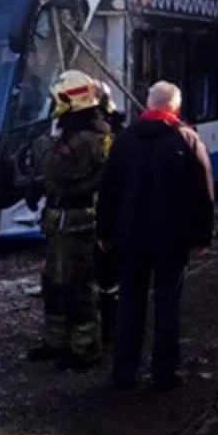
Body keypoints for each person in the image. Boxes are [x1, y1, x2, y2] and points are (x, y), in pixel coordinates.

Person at [97, 81, 214, 392]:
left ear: (148, 106)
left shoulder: (124, 141)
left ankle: (124, 372)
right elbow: (203, 193)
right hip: (171, 240)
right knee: (167, 304)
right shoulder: (187, 139)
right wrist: (202, 236)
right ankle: (164, 373)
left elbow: (108, 190)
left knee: (130, 303)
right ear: (175, 107)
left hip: (130, 238)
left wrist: (105, 232)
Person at [25, 70, 113, 370]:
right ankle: (56, 341)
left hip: (77, 222)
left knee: (78, 288)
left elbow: (55, 168)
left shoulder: (90, 136)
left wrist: (44, 142)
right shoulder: (78, 131)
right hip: (61, 220)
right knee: (54, 283)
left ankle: (84, 349)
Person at [95, 82, 126, 347]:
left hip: (107, 218)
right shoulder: (118, 133)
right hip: (102, 217)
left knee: (108, 277)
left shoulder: (114, 137)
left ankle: (111, 329)